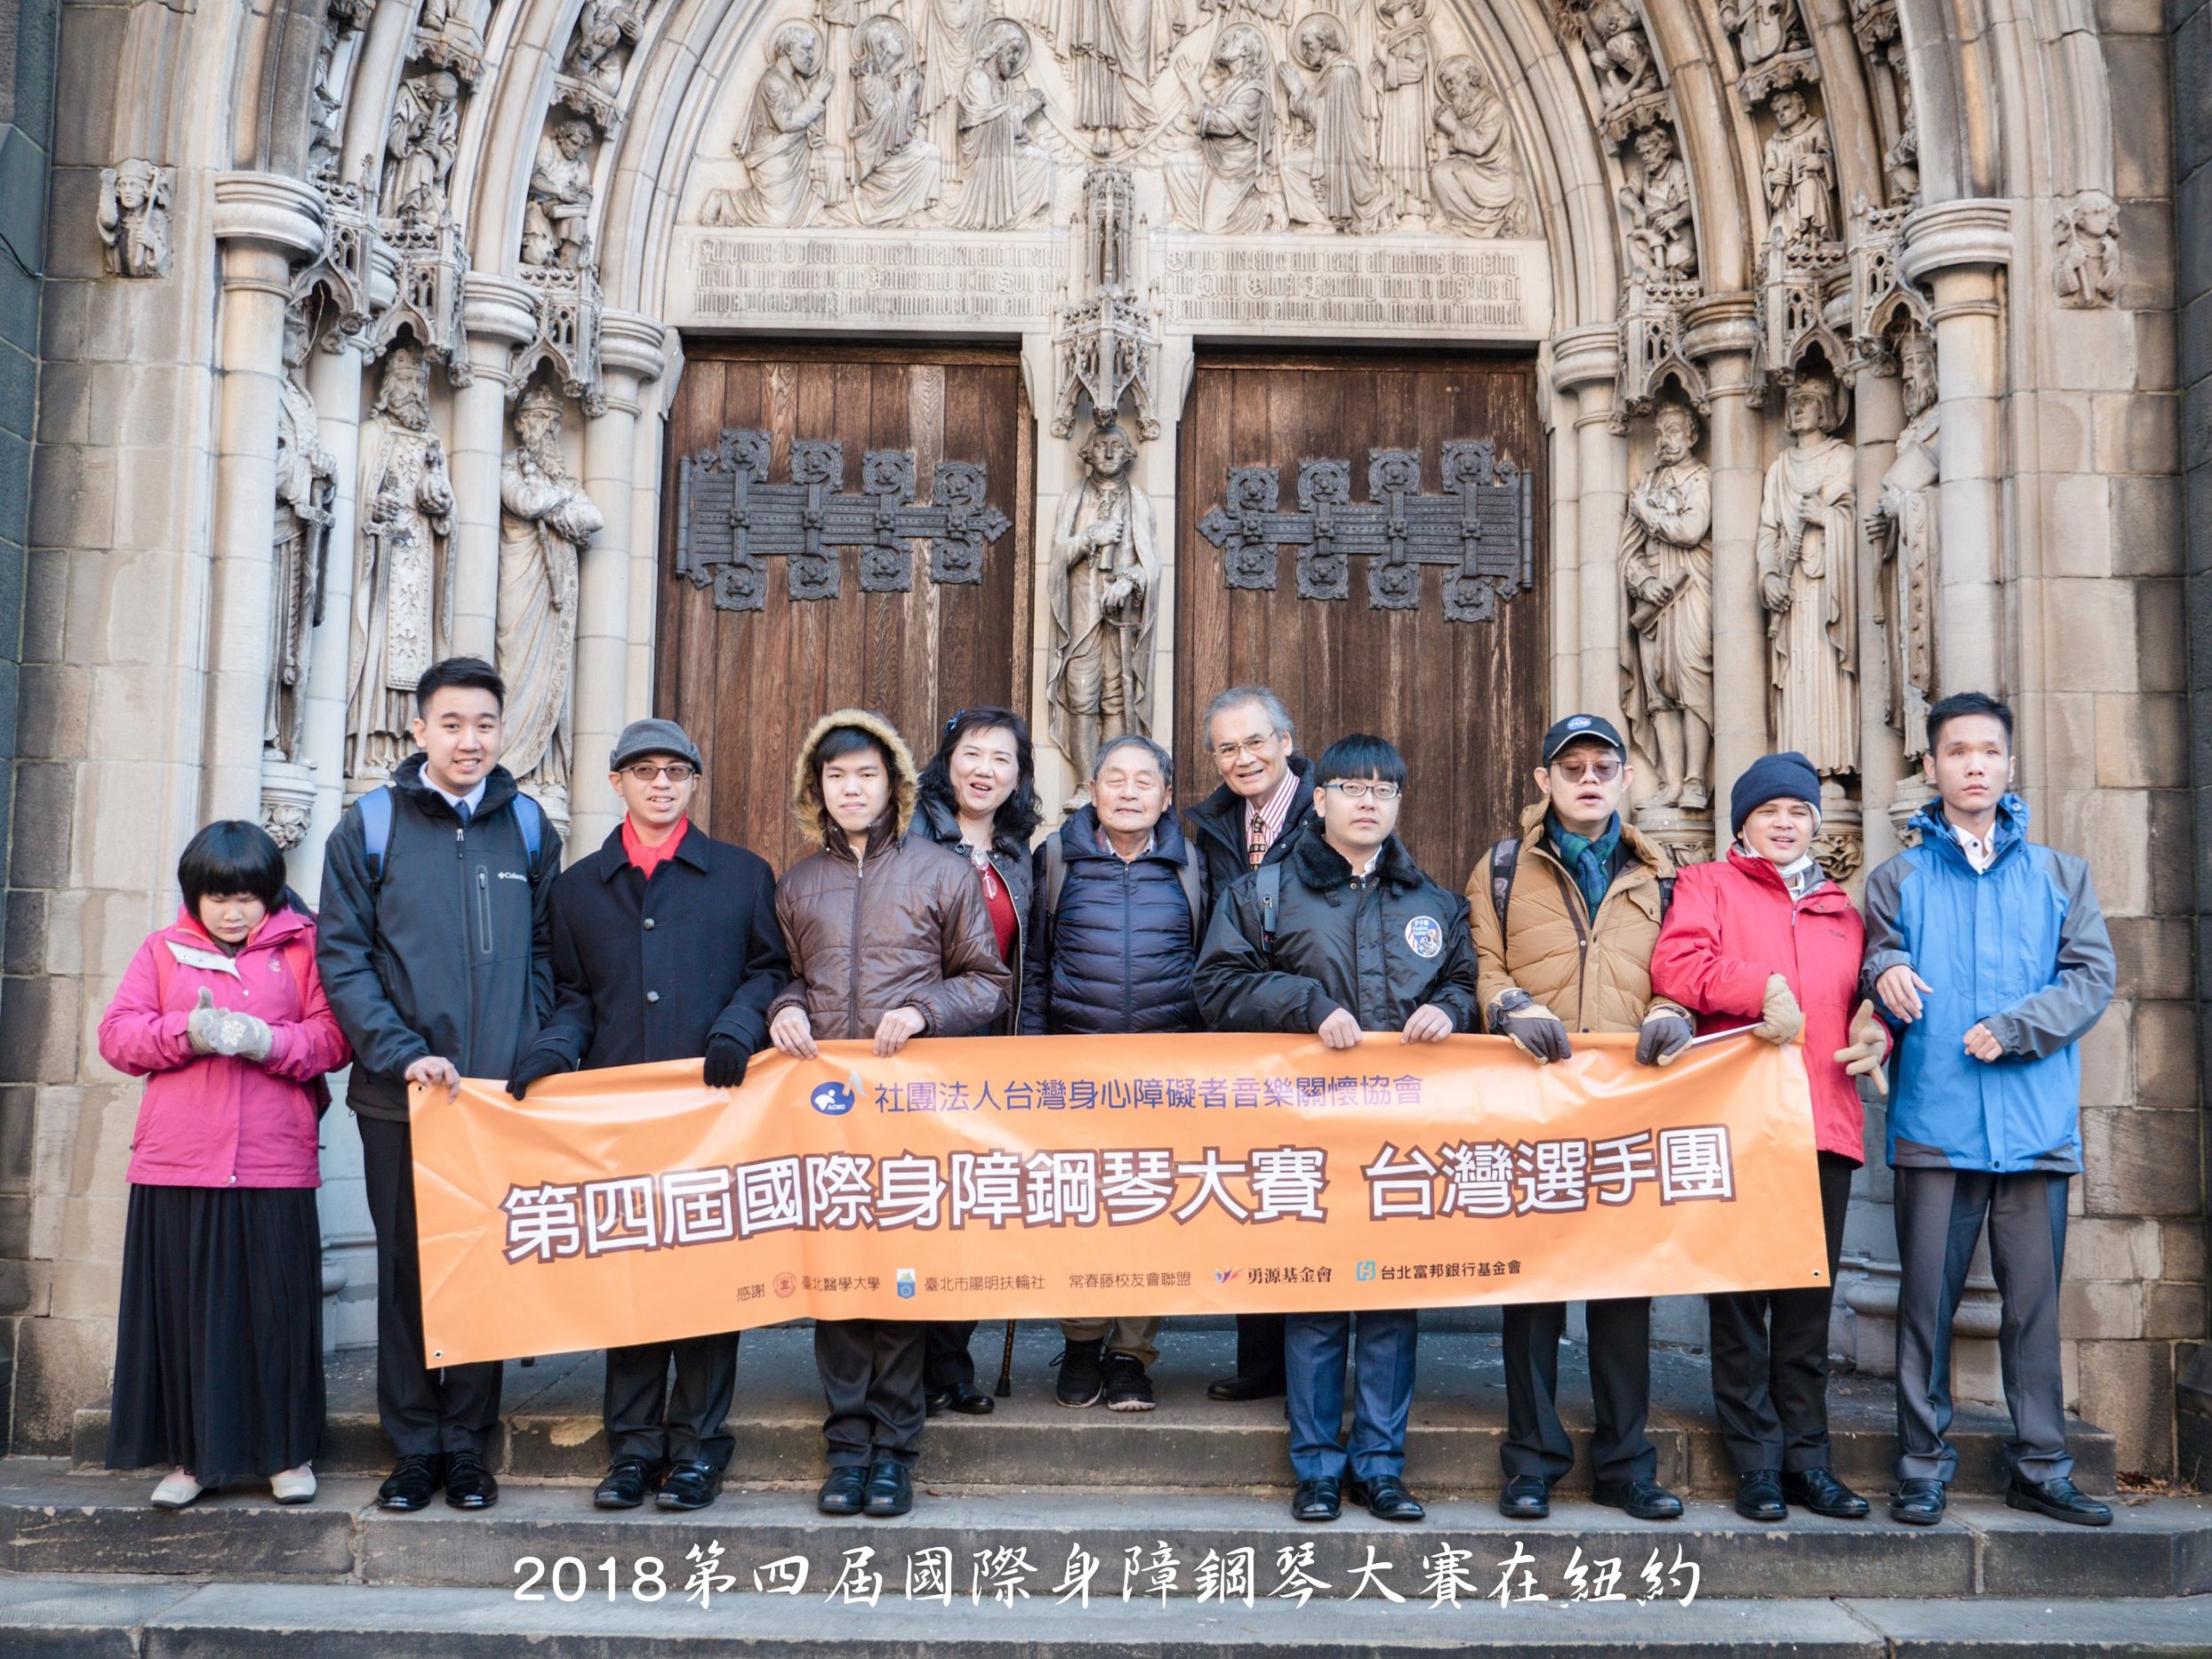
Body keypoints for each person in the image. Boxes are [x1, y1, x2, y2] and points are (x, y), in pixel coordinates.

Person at [505, 719, 789, 1513]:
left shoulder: (740, 875)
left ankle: (698, 1447)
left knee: (704, 1279)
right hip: (620, 1116)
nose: (660, 784)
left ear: (695, 783)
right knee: (629, 1277)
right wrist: (553, 1051)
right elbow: (573, 997)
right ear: (615, 782)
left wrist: (738, 1027)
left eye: (675, 771)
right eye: (643, 770)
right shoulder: (576, 889)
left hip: (713, 1113)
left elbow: (769, 970)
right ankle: (632, 1449)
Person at [1195, 734, 1478, 1523]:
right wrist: (1307, 1006)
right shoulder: (1266, 892)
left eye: (1383, 791)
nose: (1366, 802)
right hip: (1304, 1131)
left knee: (1391, 1302)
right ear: (1316, 800)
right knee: (1316, 1298)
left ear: (1397, 804)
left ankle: (1381, 1465)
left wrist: (1450, 1009)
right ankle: (1317, 1466)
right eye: (1350, 788)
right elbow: (1215, 984)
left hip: (1401, 1136)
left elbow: (1462, 979)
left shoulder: (1431, 901)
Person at [1861, 691, 2116, 1527]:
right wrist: (1881, 974)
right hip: (1935, 1124)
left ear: (2008, 766)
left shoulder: (2059, 874)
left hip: (2036, 1126)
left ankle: (2040, 1464)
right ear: (1929, 768)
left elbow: (2089, 979)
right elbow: (1874, 965)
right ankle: (1920, 1465)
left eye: (1989, 751)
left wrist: (2012, 1028)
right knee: (1923, 1307)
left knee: (2032, 1309)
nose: (1974, 764)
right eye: (1956, 751)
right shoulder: (1895, 879)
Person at [318, 656, 561, 1514]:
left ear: (503, 731)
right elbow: (341, 958)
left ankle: (469, 1446)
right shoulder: (371, 825)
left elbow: (544, 955)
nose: (470, 739)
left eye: (485, 724)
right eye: (452, 723)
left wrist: (524, 1048)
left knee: (482, 1268)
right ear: (418, 728)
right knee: (407, 1269)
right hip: (401, 1094)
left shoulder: (528, 826)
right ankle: (414, 1445)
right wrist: (399, 1049)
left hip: (495, 1101)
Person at [768, 709, 1010, 1518]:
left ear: (894, 783)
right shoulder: (798, 883)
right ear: (818, 789)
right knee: (838, 1282)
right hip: (829, 1115)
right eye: (836, 776)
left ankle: (894, 1451)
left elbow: (986, 981)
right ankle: (846, 1448)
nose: (851, 788)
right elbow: (789, 976)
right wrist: (784, 1007)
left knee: (901, 1281)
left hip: (912, 1111)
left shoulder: (943, 872)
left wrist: (925, 1012)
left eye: (866, 773)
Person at [1649, 750, 1884, 1525]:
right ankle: (1755, 1463)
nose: (1784, 823)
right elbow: (1679, 964)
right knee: (1744, 1300)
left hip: (1824, 1119)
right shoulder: (1706, 885)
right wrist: (1761, 989)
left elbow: (1862, 1001)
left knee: (1807, 1304)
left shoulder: (1841, 911)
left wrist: (1876, 1026)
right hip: (1742, 1120)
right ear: (1741, 821)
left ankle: (1807, 1462)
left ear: (1814, 824)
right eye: (1769, 811)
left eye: (1798, 812)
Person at [1469, 714, 1690, 1524]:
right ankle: (1530, 1461)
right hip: (1531, 1104)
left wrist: (1673, 1007)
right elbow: (1482, 960)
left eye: (1603, 765)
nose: (1588, 778)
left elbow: (1683, 965)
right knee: (1530, 1291)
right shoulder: (1500, 867)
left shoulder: (1662, 872)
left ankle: (1625, 1464)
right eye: (1571, 767)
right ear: (1542, 781)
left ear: (1625, 778)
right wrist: (1507, 1004)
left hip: (1628, 1107)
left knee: (1622, 1291)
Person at [98, 822, 350, 1509]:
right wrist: (189, 1031)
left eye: (249, 896)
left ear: (271, 895)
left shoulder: (304, 950)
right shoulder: (163, 950)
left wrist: (267, 1039)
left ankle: (285, 1454)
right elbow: (117, 1036)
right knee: (186, 1316)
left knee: (276, 1313)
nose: (235, 911)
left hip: (274, 1160)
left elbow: (332, 1037)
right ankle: (192, 1458)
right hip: (178, 1162)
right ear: (195, 896)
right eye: (219, 896)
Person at [1024, 734, 1208, 1413]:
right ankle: (1079, 1340)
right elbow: (1035, 969)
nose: (1129, 792)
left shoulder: (1192, 865)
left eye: (1144, 781)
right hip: (1076, 1073)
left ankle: (1131, 1354)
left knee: (1148, 1213)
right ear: (1092, 791)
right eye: (1115, 780)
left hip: (1166, 1079)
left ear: (1165, 795)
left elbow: (1211, 972)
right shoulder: (1054, 861)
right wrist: (1033, 1058)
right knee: (1080, 1211)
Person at [1181, 685, 1316, 1403]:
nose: (1243, 758)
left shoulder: (1329, 807)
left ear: (1286, 741)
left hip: (1320, 1030)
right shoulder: (1215, 826)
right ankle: (1260, 1363)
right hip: (1241, 1028)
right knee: (1255, 1192)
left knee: (1314, 1197)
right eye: (1227, 747)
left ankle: (1311, 1372)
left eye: (1255, 741)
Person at [913, 706, 1042, 1416]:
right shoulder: (910, 840)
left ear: (1018, 775)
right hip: (923, 1052)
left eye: (1001, 757)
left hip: (995, 1058)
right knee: (919, 1211)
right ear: (947, 761)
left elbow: (1031, 965)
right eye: (971, 753)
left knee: (975, 1214)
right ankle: (910, 1365)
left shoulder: (1019, 856)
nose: (983, 768)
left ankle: (952, 1364)